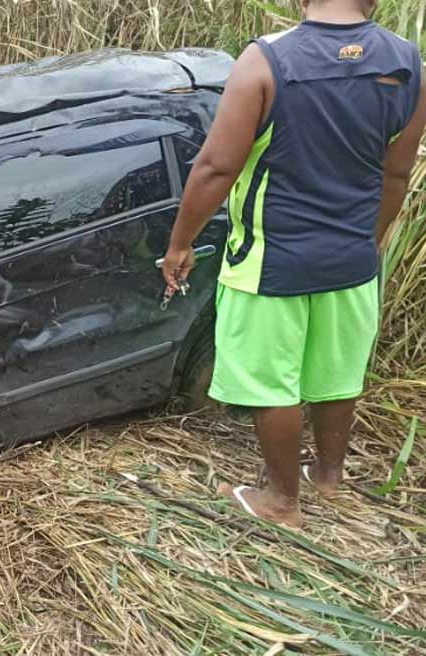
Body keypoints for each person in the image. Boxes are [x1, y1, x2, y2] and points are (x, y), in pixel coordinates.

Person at [161, 0, 424, 527]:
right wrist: (369, 242)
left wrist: (180, 244)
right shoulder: (408, 62)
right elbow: (397, 174)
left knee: (269, 381)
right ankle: (328, 478)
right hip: (351, 258)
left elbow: (216, 166)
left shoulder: (266, 61)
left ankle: (281, 501)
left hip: (271, 260)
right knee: (336, 372)